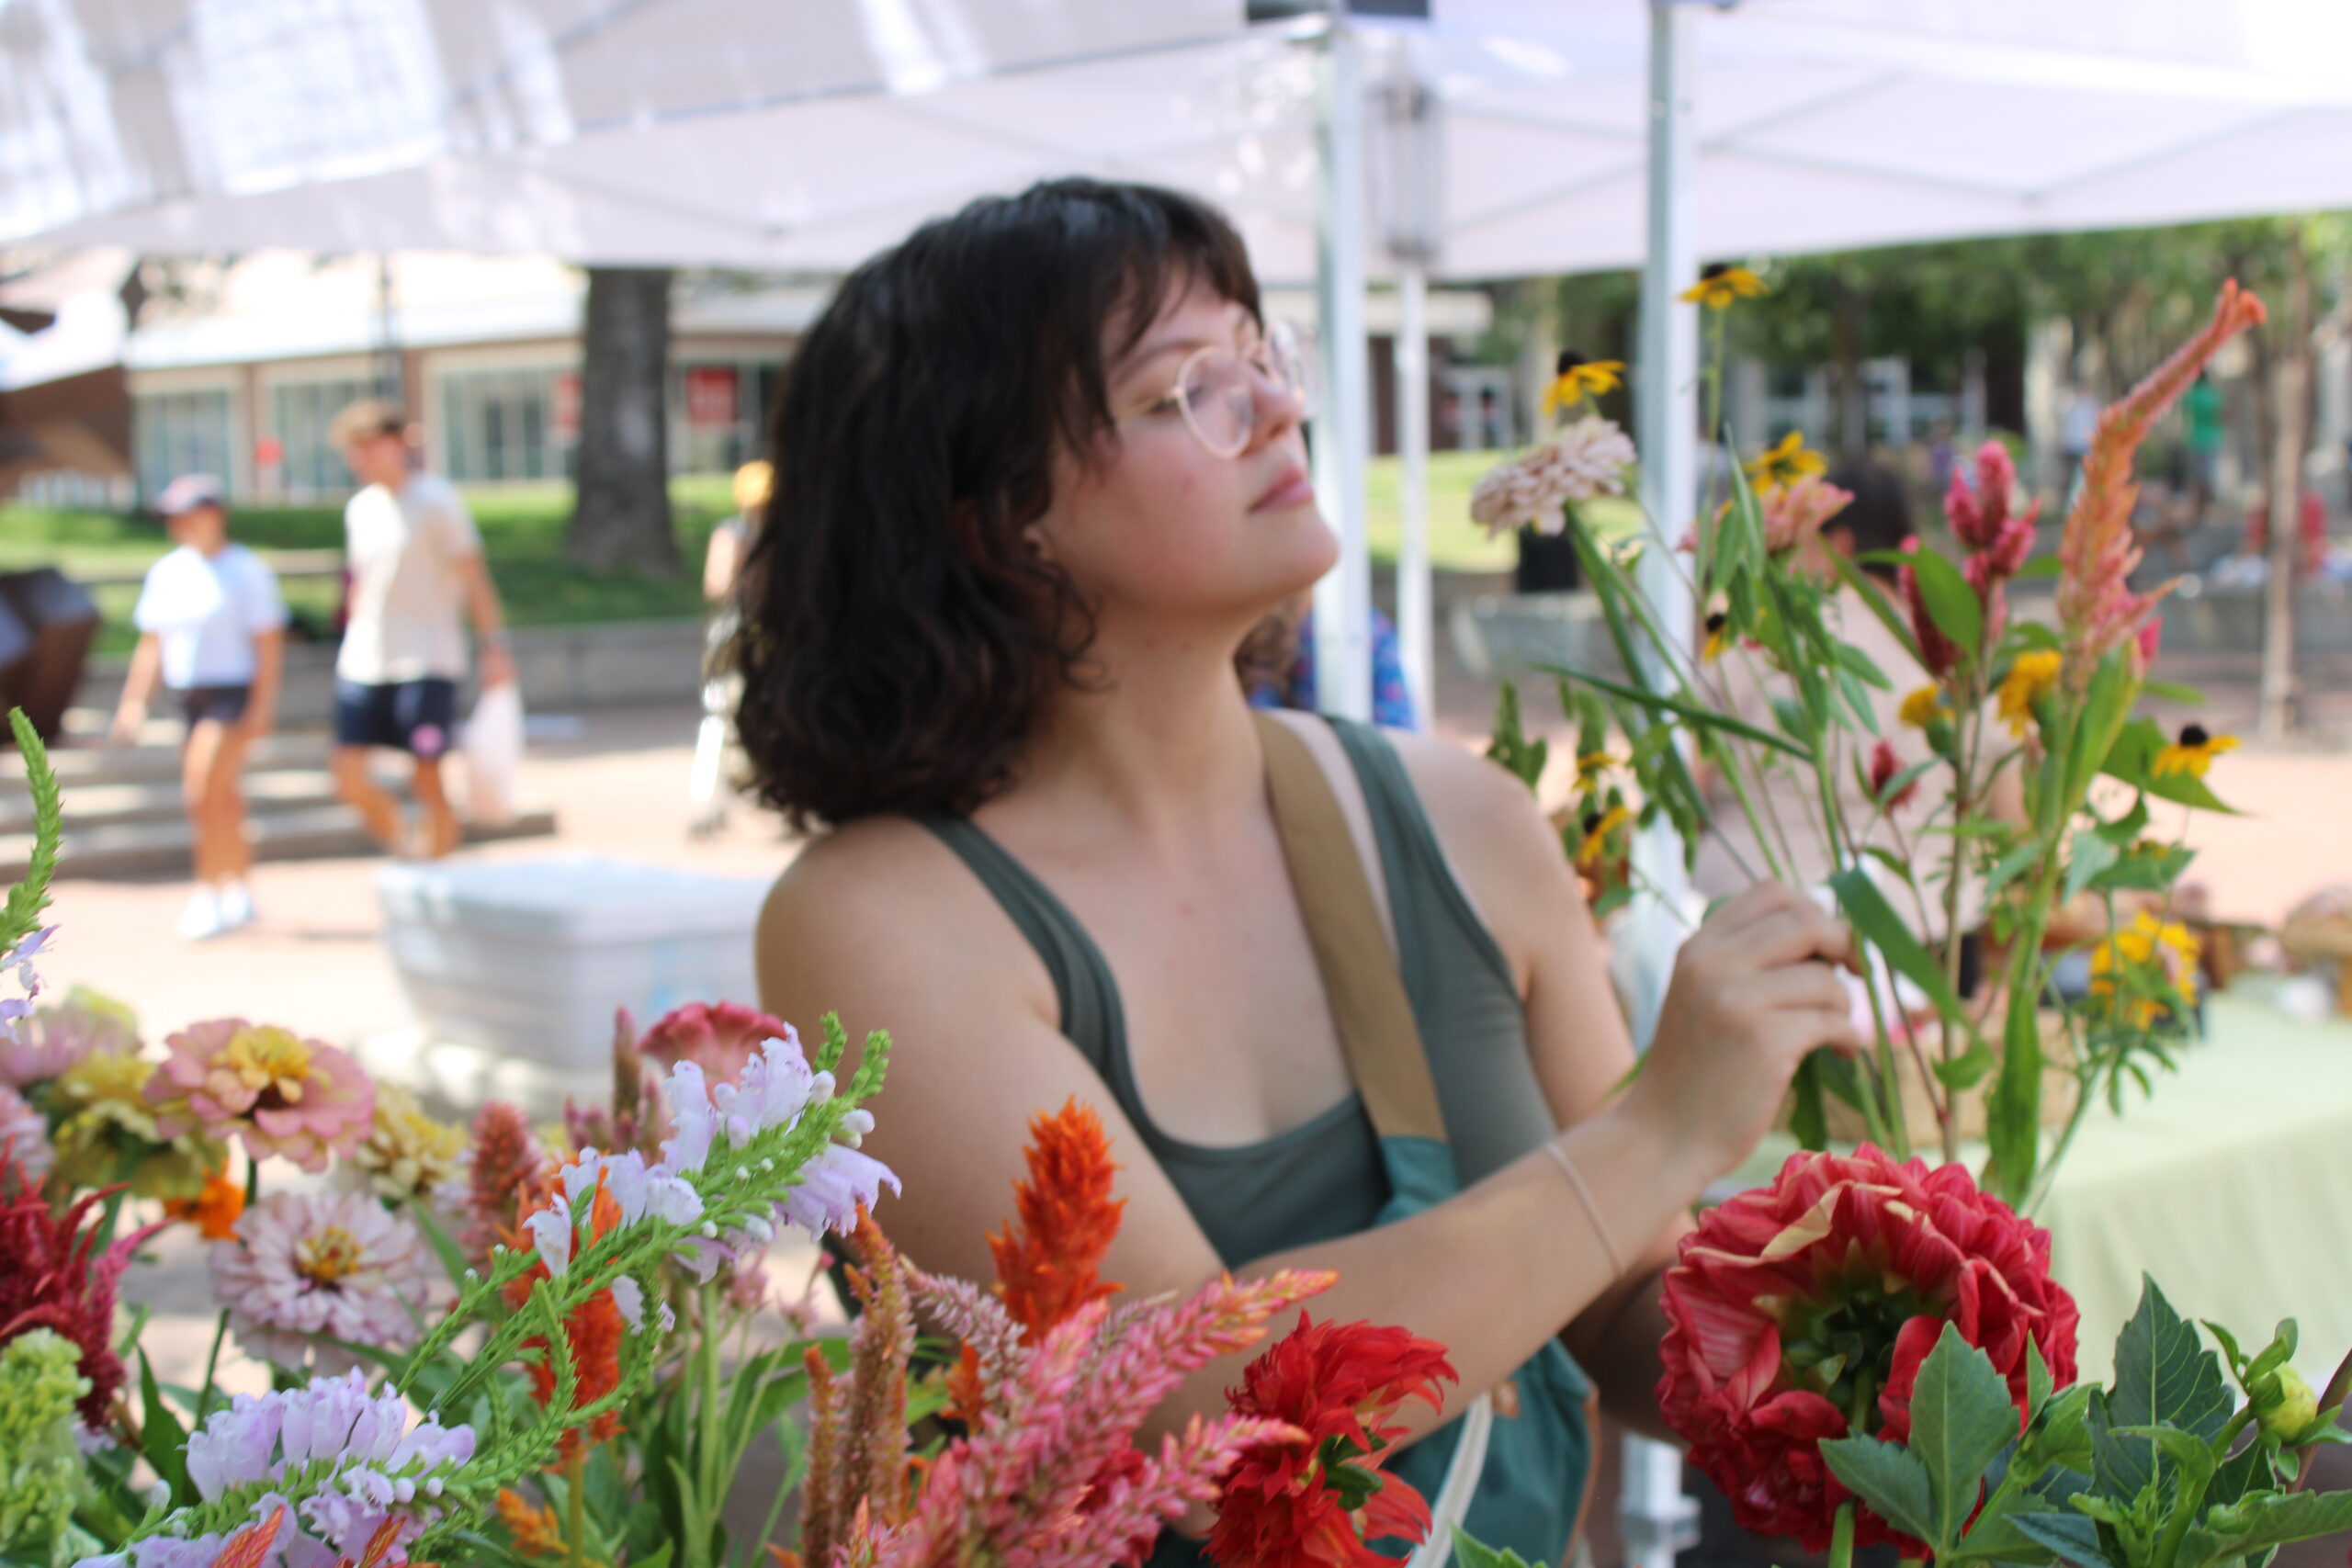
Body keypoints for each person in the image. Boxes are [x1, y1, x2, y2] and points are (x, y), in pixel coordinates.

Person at [739, 179, 1861, 1565]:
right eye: (1185, 390)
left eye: (1263, 359)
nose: (1274, 408)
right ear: (995, 519)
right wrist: (1660, 1129)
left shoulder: (1464, 816)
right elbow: (1186, 1422)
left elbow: (1623, 1304)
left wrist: (1869, 1354)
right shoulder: (876, 921)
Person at [326, 400, 515, 859]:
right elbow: (362, 584)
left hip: (427, 660)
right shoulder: (361, 509)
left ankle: (437, 866)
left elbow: (474, 579)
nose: (359, 460)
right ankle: (406, 851)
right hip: (365, 660)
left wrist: (494, 647)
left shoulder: (436, 502)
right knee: (349, 776)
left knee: (426, 775)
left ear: (395, 445)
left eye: (366, 448)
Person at [107, 474, 287, 940]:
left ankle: (208, 891)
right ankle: (239, 887)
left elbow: (268, 643)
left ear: (214, 514)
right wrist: (133, 705)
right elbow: (152, 644)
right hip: (187, 696)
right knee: (223, 797)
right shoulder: (168, 570)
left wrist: (263, 708)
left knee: (201, 791)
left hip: (231, 694)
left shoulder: (246, 569)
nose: (182, 523)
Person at [688, 460, 771, 836]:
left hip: (770, 638)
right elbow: (716, 584)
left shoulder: (784, 537)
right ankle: (707, 802)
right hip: (735, 637)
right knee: (719, 710)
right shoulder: (733, 534)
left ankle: (764, 793)